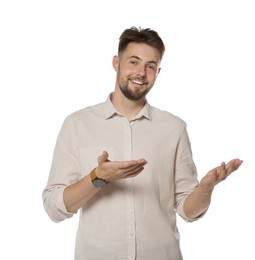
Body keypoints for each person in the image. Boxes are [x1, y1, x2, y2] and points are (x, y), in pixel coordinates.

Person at [42, 26, 243, 260]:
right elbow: (53, 208)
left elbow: (187, 209)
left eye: (150, 66)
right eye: (134, 62)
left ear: (158, 72)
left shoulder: (174, 128)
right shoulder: (77, 124)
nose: (141, 73)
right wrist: (98, 177)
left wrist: (205, 189)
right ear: (116, 63)